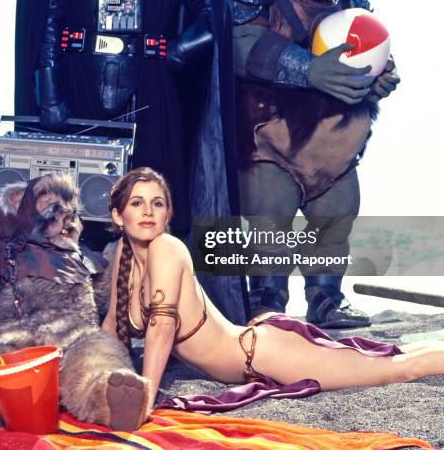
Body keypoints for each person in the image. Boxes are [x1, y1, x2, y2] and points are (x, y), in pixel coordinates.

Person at [14, 0, 248, 323]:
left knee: (155, 203)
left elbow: (214, 15)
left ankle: (161, 312)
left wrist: (179, 52)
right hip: (79, 89)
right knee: (80, 206)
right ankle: (86, 318)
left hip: (153, 89)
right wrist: (50, 93)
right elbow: (47, 27)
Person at [101, 167, 444, 414]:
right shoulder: (124, 256)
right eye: (136, 203)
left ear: (168, 213)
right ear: (118, 216)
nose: (148, 211)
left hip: (265, 354)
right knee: (389, 357)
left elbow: (162, 327)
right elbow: (110, 331)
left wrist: (144, 398)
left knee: (395, 369)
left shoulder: (167, 248)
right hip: (256, 346)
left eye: (157, 203)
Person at [216, 0, 400, 328]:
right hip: (267, 140)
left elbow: (367, 55)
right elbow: (240, 46)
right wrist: (309, 70)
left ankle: (326, 299)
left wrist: (378, 79)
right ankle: (267, 300)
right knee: (270, 212)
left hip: (332, 146)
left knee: (338, 212)